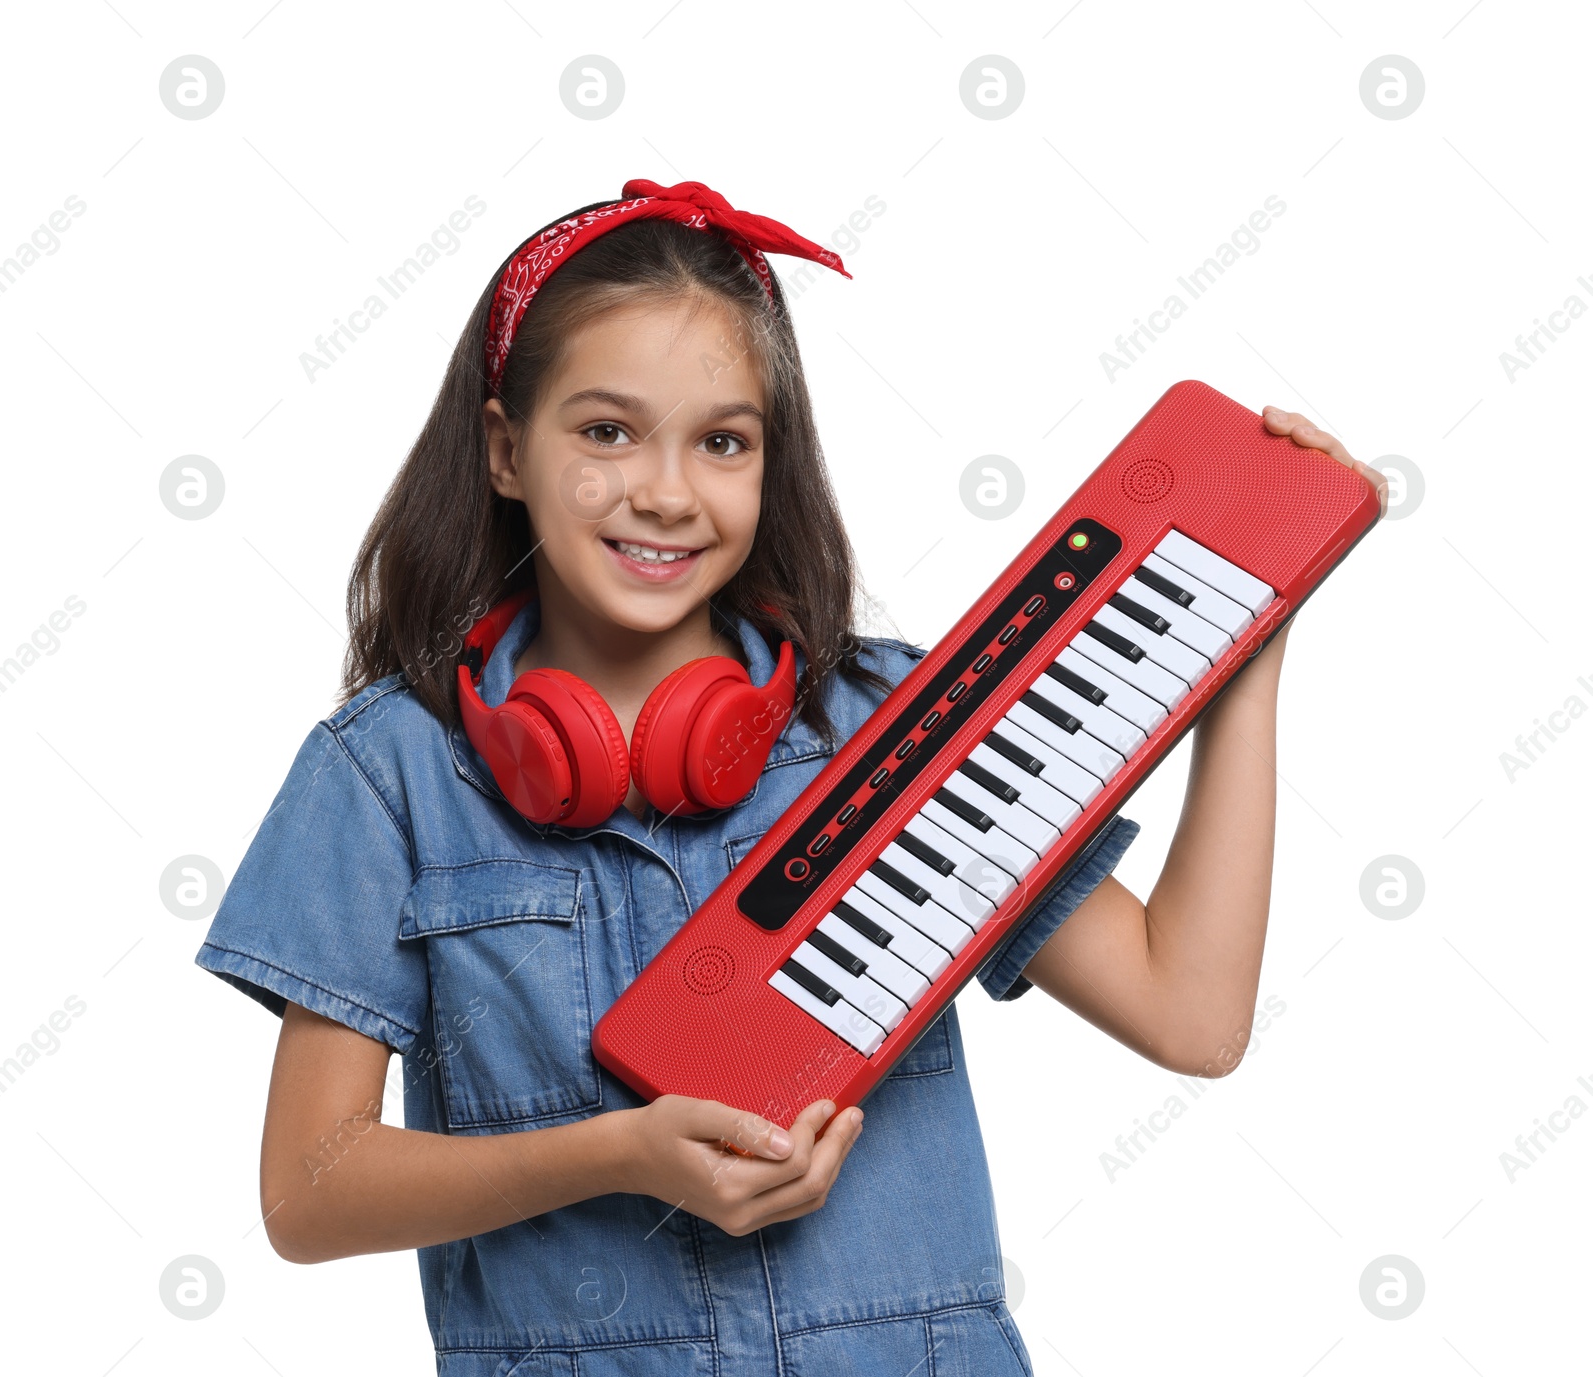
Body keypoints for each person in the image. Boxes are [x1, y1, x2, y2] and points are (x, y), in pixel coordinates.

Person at [194, 178, 1387, 1375]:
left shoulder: (910, 724)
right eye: (606, 432)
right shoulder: (386, 773)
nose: (666, 491)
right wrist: (615, 1155)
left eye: (722, 441)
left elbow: (1190, 1014)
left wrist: (1243, 646)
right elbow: (310, 1190)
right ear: (507, 449)